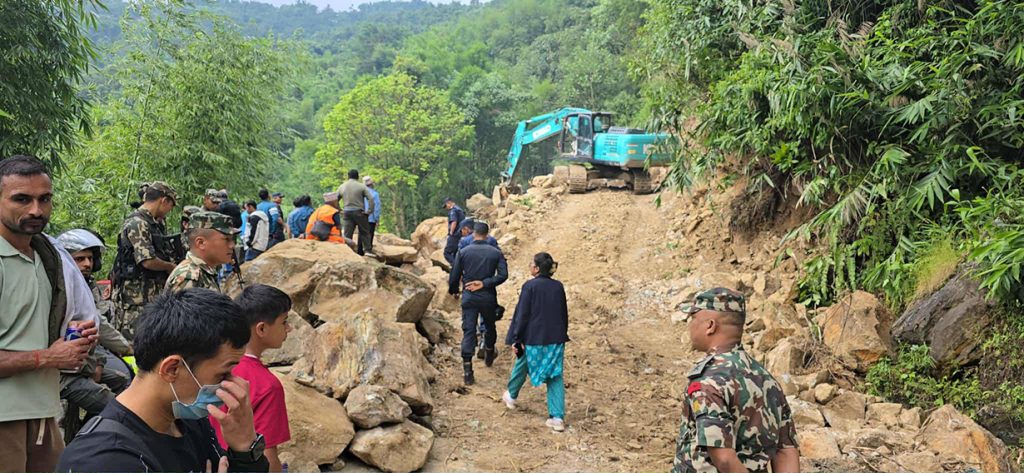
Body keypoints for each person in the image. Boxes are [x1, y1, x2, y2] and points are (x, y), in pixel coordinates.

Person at [57, 289, 270, 473]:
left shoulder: (190, 422)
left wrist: (244, 448)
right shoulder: (104, 459)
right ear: (172, 369)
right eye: (224, 374)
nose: (235, 385)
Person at [0, 155, 100, 472]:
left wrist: (76, 341)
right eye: (22, 199)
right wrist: (48, 357)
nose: (36, 210)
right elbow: (46, 353)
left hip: (43, 410)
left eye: (44, 199)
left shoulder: (48, 258)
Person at [674, 288, 800, 473]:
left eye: (693, 318)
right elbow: (785, 451)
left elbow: (724, 459)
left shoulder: (708, 383)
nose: (690, 325)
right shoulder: (767, 379)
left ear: (710, 326)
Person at [211, 285, 292, 472]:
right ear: (261, 329)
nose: (289, 328)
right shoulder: (268, 385)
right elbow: (266, 455)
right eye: (284, 322)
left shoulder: (214, 366)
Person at [56, 230, 133, 421]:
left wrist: (98, 362)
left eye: (90, 258)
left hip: (83, 363)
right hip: (61, 373)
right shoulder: (57, 291)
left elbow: (96, 326)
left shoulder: (84, 286)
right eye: (80, 259)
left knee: (123, 379)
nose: (87, 264)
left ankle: (90, 427)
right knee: (121, 411)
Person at [502, 252, 569, 432]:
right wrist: (563, 333)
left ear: (537, 268)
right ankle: (556, 417)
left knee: (523, 362)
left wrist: (517, 338)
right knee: (554, 374)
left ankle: (511, 395)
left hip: (534, 337)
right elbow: (563, 313)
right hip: (555, 338)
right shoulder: (558, 287)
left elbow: (522, 315)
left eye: (531, 263)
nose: (529, 265)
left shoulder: (529, 287)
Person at [111, 181, 178, 338]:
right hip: (136, 299)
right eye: (171, 205)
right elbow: (147, 260)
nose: (170, 210)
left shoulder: (154, 223)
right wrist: (170, 267)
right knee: (135, 342)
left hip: (150, 294)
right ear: (163, 200)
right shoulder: (138, 223)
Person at [448, 222, 508, 385]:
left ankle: (468, 371)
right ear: (487, 235)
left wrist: (454, 290)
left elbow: (454, 275)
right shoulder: (495, 253)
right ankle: (489, 351)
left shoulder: (464, 251)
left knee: (468, 330)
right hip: (488, 296)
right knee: (489, 326)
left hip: (469, 295)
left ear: (473, 234)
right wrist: (485, 283)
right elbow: (503, 275)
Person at [165, 212, 239, 293]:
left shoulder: (205, 270)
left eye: (232, 239)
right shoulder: (189, 278)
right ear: (201, 243)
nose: (232, 245)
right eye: (226, 239)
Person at [337, 169, 375, 255]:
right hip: (359, 212)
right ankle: (367, 250)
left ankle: (347, 251)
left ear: (348, 176)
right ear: (357, 177)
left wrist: (340, 210)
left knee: (347, 233)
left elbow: (335, 199)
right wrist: (369, 211)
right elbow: (371, 199)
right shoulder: (361, 186)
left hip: (347, 212)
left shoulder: (342, 186)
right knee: (364, 232)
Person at [442, 197, 465, 265]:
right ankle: (458, 268)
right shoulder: (459, 209)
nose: (446, 208)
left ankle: (456, 267)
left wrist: (451, 233)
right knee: (455, 253)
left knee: (447, 253)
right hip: (460, 233)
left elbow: (454, 221)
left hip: (455, 234)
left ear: (448, 203)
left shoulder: (453, 210)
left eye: (446, 206)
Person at [362, 176, 382, 251]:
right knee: (370, 233)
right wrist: (377, 219)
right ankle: (368, 249)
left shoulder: (361, 193)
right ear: (371, 184)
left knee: (362, 233)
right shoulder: (375, 194)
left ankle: (360, 250)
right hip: (371, 217)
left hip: (361, 216)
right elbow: (376, 207)